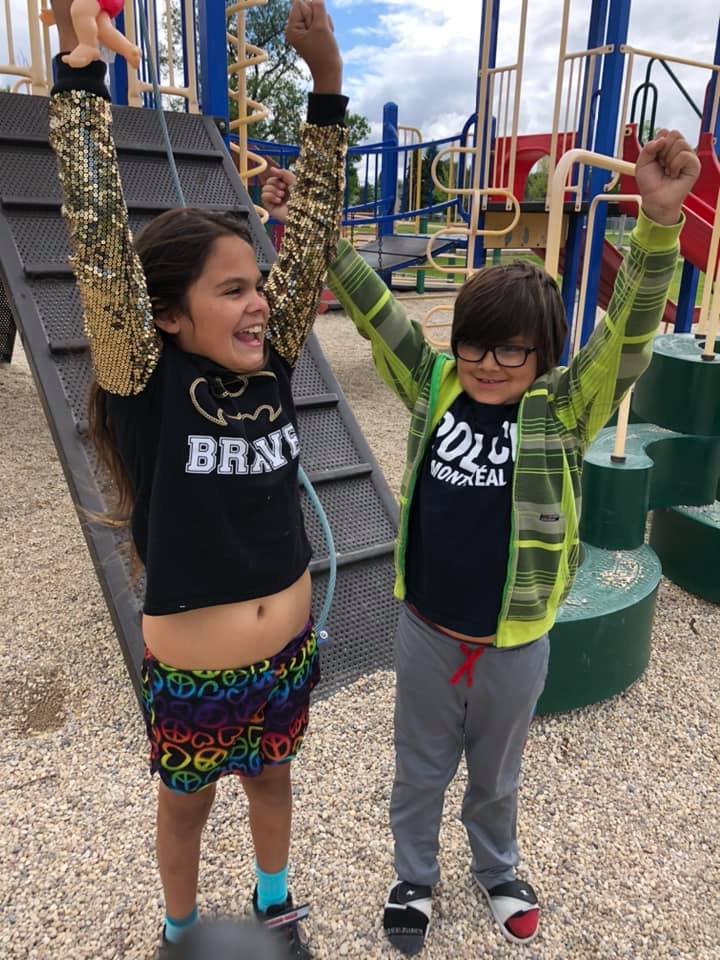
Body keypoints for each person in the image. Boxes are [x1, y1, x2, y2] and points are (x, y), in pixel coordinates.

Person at [262, 130, 700, 953]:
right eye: (474, 343)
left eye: (511, 350)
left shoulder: (564, 410)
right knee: (418, 769)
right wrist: (313, 234)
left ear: (541, 356)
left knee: (496, 776)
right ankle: (413, 876)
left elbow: (628, 339)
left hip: (514, 642)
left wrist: (658, 226)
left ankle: (497, 867)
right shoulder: (436, 388)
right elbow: (375, 312)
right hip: (428, 629)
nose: (488, 363)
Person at [46, 1, 348, 957]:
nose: (260, 300)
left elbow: (312, 245)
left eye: (258, 284)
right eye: (232, 290)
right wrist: (80, 84)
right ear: (168, 316)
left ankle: (273, 900)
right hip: (193, 670)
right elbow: (96, 245)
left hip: (285, 654)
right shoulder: (147, 373)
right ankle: (179, 929)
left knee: (272, 781)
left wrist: (329, 84)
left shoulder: (277, 357)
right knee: (187, 806)